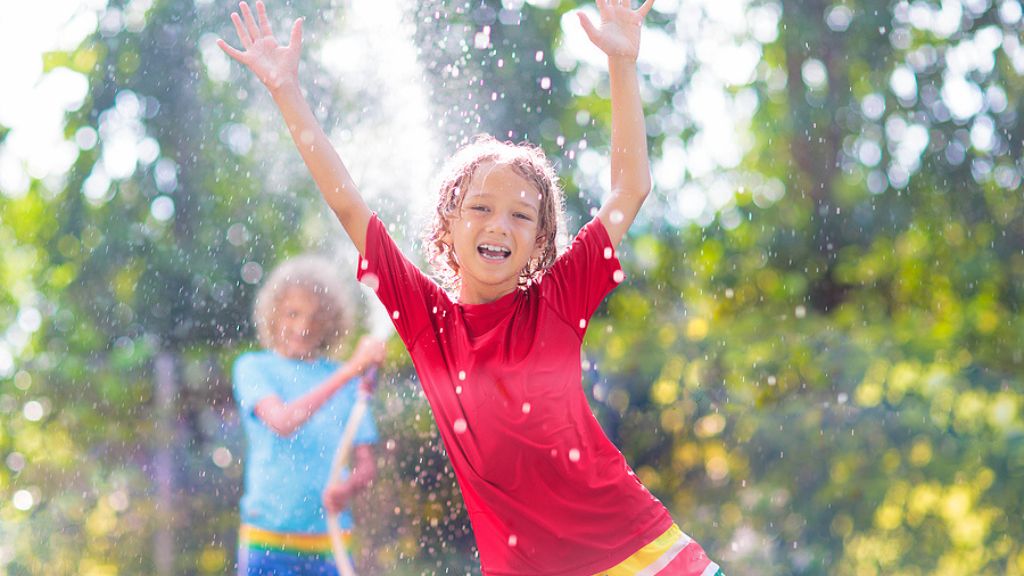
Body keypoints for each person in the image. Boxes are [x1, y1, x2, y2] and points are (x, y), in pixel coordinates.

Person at [219, 1, 723, 574]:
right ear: (447, 229)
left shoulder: (557, 299)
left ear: (539, 242)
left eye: (521, 216)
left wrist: (621, 63)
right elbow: (346, 202)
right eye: (480, 207)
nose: (499, 225)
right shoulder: (427, 321)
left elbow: (629, 189)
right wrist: (287, 91)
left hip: (645, 556)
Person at [232, 254, 385, 575]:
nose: (303, 327)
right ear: (273, 315)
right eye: (292, 313)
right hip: (267, 539)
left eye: (315, 318)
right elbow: (282, 422)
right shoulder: (253, 367)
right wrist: (349, 373)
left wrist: (348, 488)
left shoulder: (346, 378)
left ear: (330, 324)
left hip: (330, 538)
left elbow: (366, 465)